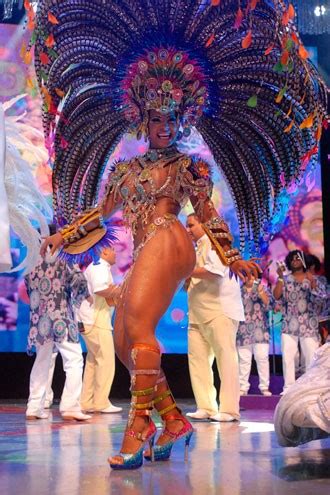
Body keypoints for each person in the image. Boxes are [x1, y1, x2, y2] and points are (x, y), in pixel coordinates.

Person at [34, 0, 325, 469]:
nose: (165, 127)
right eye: (156, 119)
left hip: (171, 238)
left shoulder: (188, 168)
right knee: (128, 343)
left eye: (172, 118)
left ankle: (137, 427)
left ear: (182, 118)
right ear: (142, 120)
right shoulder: (125, 171)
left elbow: (208, 216)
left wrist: (232, 257)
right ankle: (173, 421)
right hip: (148, 248)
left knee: (140, 330)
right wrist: (62, 234)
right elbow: (100, 212)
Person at [25, 236, 91, 421]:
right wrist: (84, 297)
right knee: (74, 360)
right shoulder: (64, 256)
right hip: (61, 316)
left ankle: (33, 407)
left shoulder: (32, 260)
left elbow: (28, 287)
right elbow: (78, 281)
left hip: (40, 320)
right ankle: (70, 405)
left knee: (42, 362)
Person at [185, 213, 244, 422]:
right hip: (197, 312)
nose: (188, 229)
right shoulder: (195, 248)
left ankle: (229, 410)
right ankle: (206, 406)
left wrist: (185, 270)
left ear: (203, 223)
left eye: (191, 225)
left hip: (219, 309)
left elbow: (215, 271)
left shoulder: (214, 243)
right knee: (198, 360)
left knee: (226, 358)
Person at [77, 247, 122, 414]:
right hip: (95, 320)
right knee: (106, 360)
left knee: (93, 361)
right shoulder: (99, 267)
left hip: (91, 319)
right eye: (112, 250)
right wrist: (122, 290)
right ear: (104, 252)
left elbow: (106, 296)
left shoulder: (99, 267)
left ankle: (87, 402)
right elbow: (100, 290)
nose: (116, 253)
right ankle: (101, 402)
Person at [273, 250, 325, 394]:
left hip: (309, 324)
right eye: (292, 259)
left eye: (298, 258)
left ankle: (308, 388)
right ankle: (288, 388)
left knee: (311, 358)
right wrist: (280, 278)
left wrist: (313, 282)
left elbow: (321, 300)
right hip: (289, 324)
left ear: (304, 262)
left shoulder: (312, 279)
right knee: (288, 357)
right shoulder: (286, 278)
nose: (295, 260)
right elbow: (276, 296)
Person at [237, 276, 272, 396]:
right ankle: (243, 387)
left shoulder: (262, 288)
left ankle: (264, 387)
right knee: (244, 360)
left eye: (252, 274)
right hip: (242, 330)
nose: (249, 277)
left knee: (262, 358)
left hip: (260, 330)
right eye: (246, 274)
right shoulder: (237, 291)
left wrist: (261, 292)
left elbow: (269, 305)